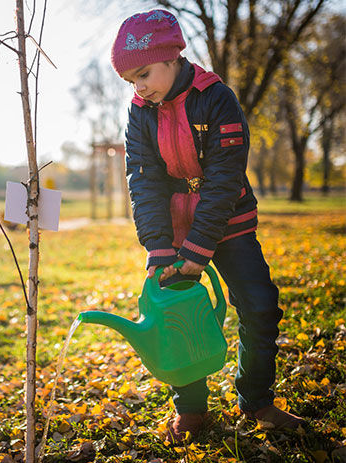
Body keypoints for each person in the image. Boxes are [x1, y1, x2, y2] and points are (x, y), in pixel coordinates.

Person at [109, 9, 305, 442]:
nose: (138, 87)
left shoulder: (217, 98)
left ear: (173, 56)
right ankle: (192, 409)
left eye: (143, 73)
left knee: (259, 306)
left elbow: (224, 178)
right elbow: (143, 179)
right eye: (130, 81)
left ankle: (257, 399)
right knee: (179, 315)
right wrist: (159, 247)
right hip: (174, 228)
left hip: (228, 221)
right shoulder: (140, 112)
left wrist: (200, 250)